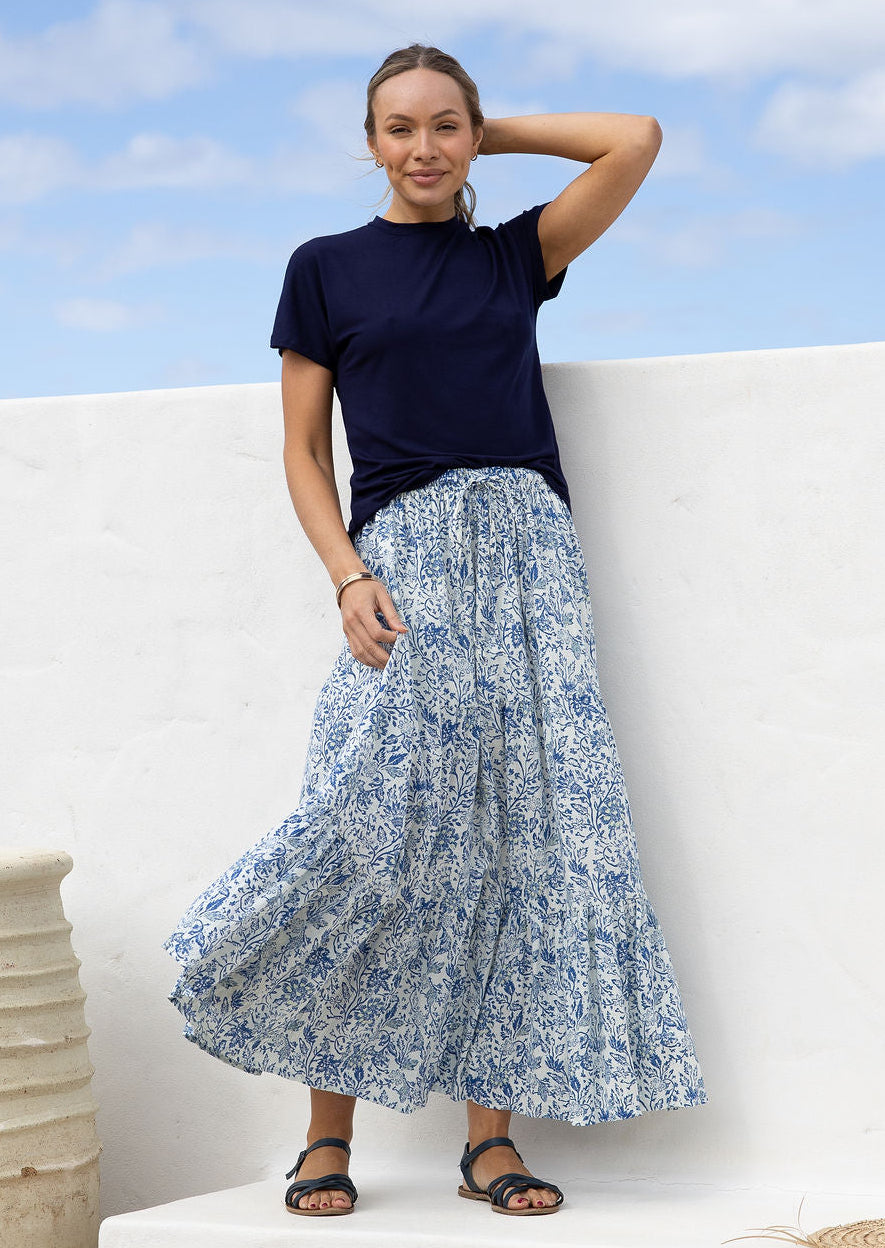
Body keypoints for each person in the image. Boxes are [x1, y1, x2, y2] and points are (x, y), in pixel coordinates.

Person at [163, 42, 708, 1220]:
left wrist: (492, 138)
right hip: (403, 563)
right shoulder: (325, 269)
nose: (422, 147)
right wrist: (347, 575)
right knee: (368, 825)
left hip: (531, 563)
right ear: (367, 144)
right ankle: (322, 1137)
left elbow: (637, 139)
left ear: (470, 134)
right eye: (399, 129)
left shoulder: (518, 257)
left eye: (444, 126)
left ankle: (489, 1143)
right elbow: (307, 452)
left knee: (522, 833)